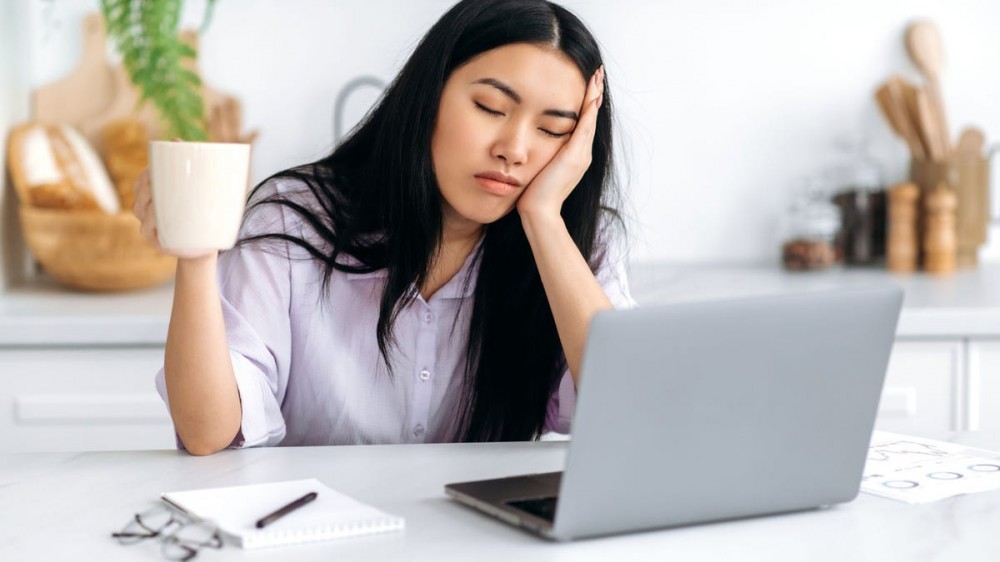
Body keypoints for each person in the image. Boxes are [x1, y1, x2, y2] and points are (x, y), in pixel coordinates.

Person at [135, 0, 635, 456]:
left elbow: (626, 413)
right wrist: (198, 258)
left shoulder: (578, 249)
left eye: (552, 130)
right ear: (428, 94)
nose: (515, 149)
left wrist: (544, 220)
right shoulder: (293, 221)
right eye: (490, 108)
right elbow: (208, 433)